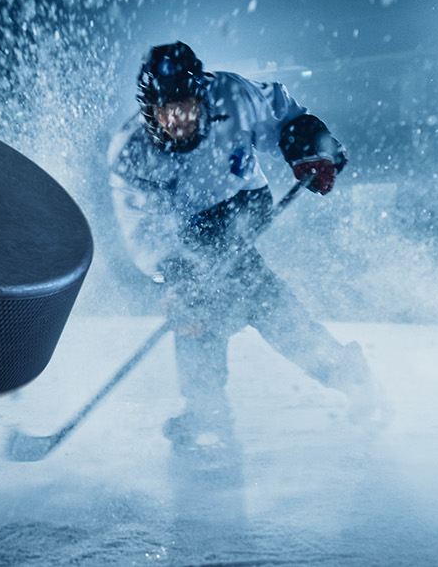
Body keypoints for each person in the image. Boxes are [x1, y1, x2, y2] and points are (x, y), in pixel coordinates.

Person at [106, 41, 385, 451]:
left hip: (244, 204)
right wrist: (177, 278)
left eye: (185, 105)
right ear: (150, 110)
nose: (177, 119)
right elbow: (144, 229)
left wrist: (312, 145)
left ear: (201, 94)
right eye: (165, 110)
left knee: (232, 300)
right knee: (202, 307)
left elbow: (284, 115)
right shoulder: (131, 152)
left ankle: (206, 413)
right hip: (185, 232)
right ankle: (348, 374)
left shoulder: (233, 96)